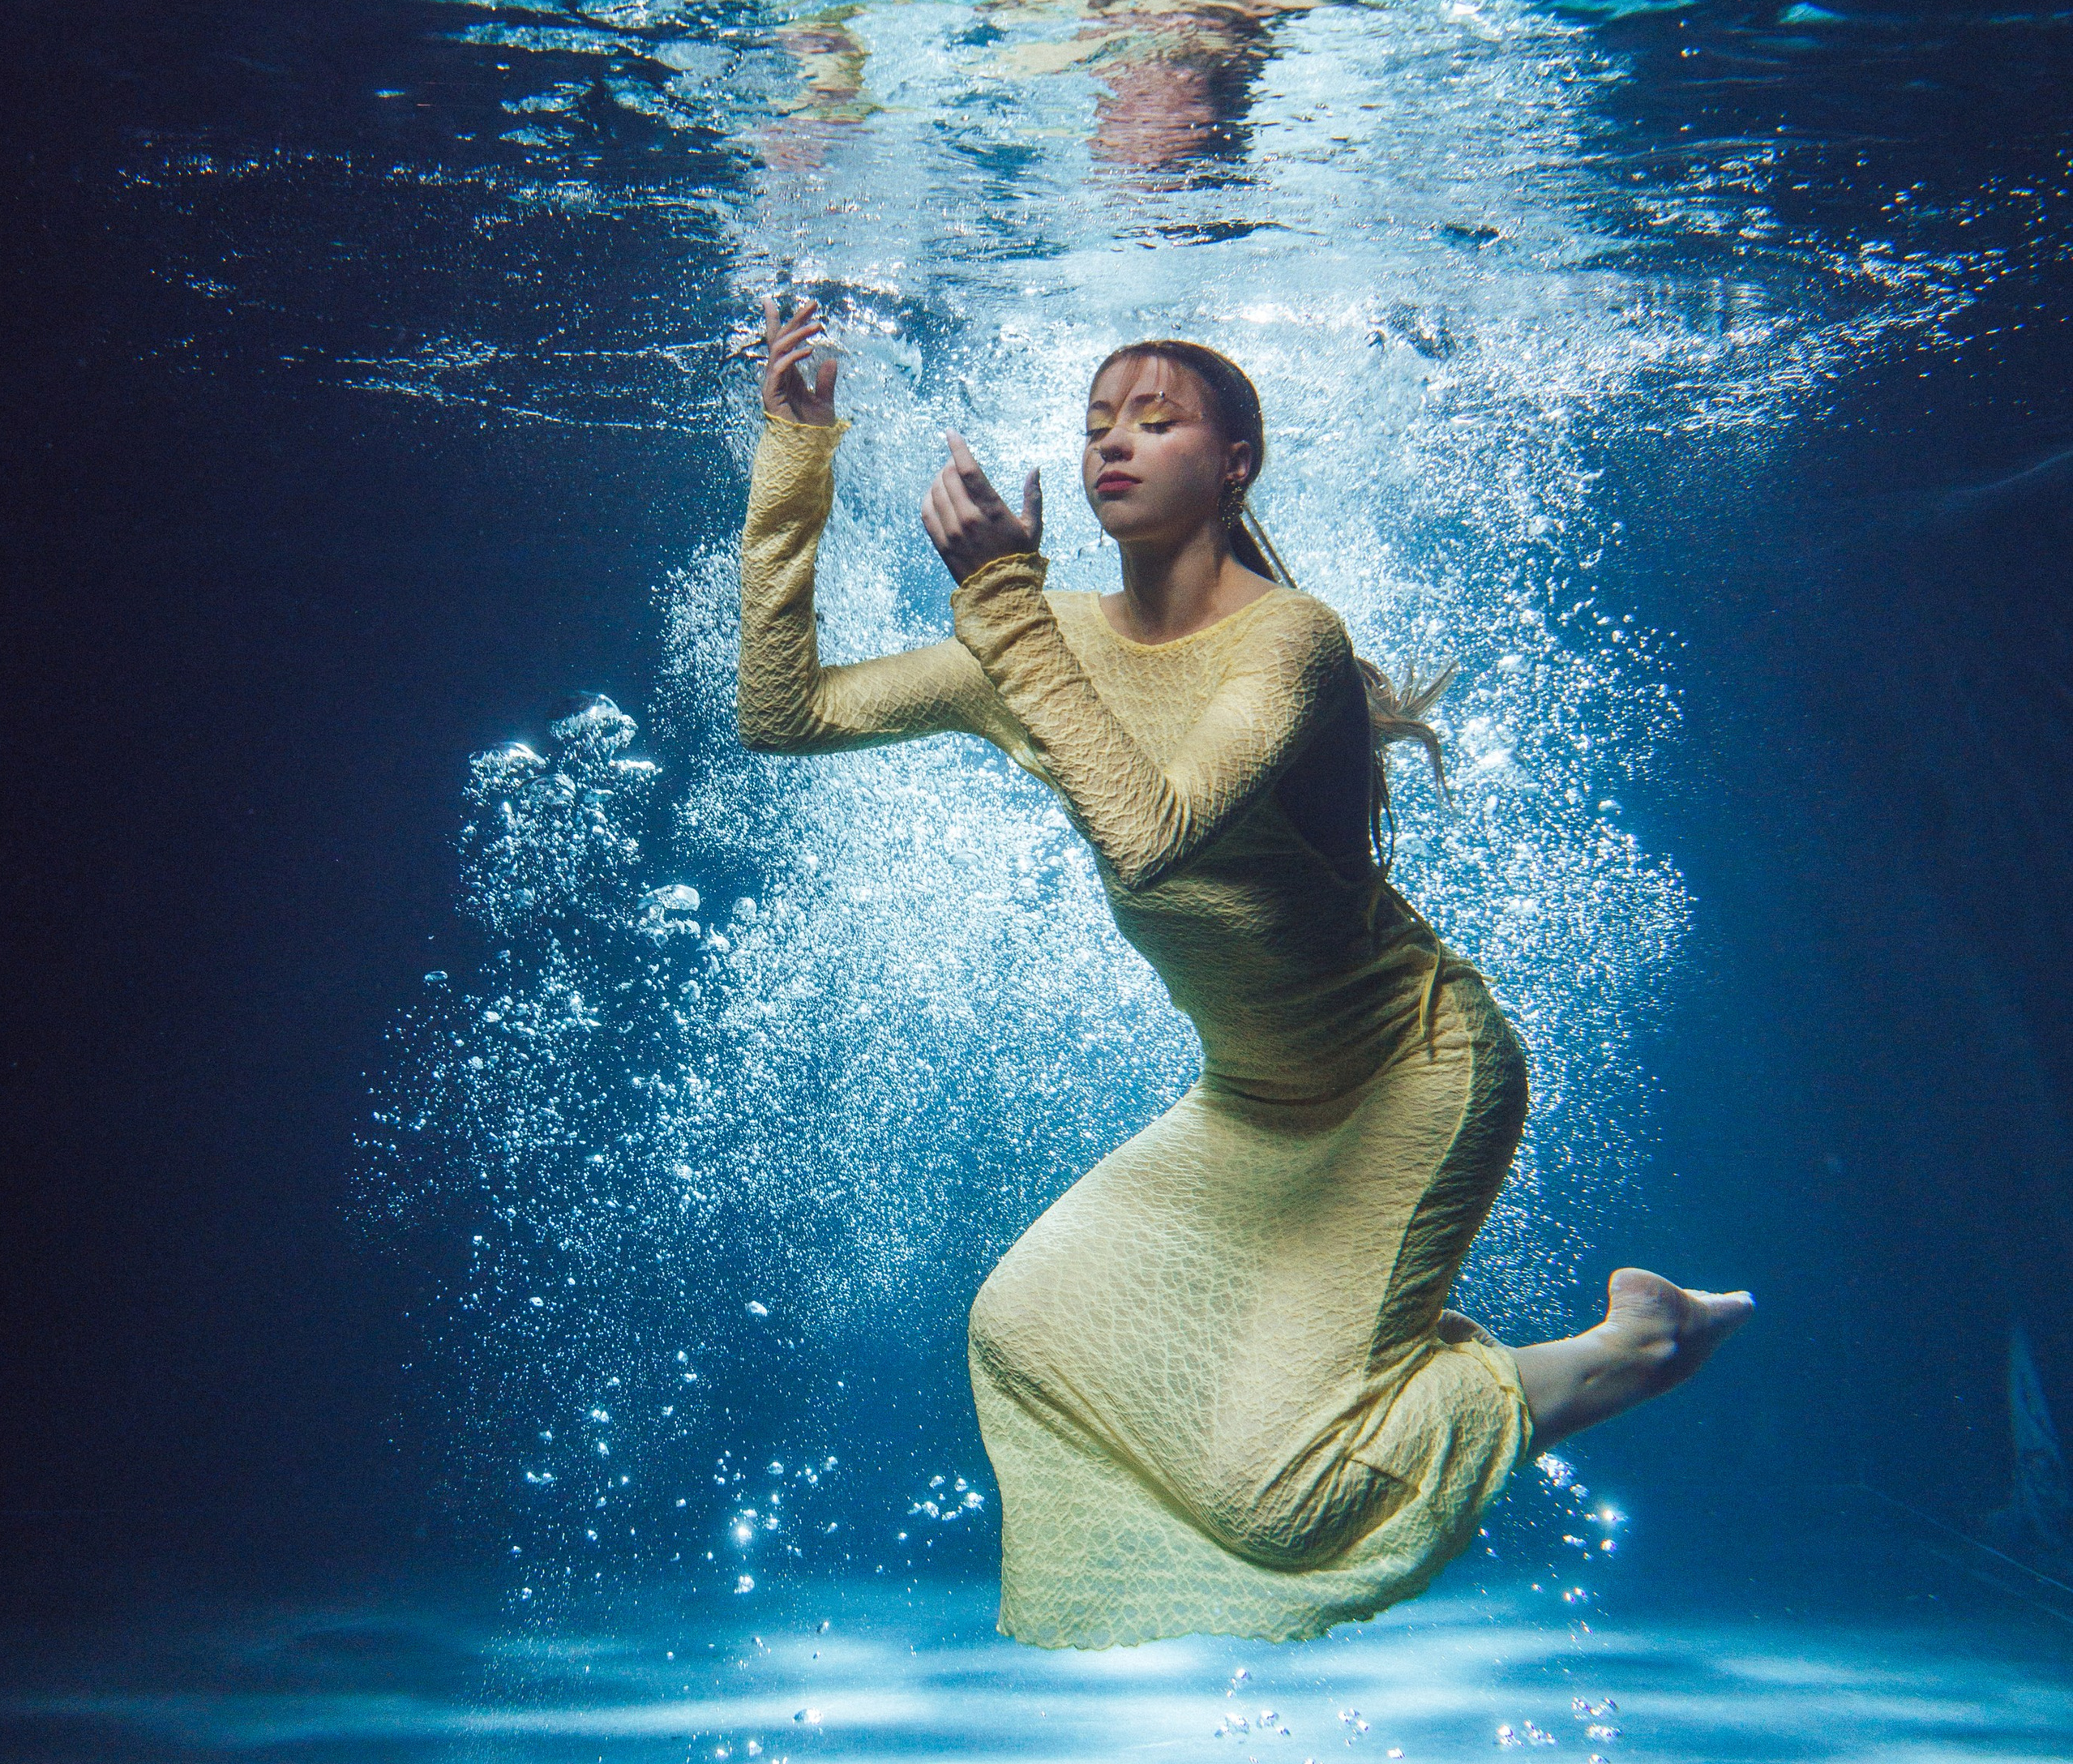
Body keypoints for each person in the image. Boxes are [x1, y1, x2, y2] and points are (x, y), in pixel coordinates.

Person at [738, 295, 1752, 1649]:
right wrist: (795, 452)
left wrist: (999, 601)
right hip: (1257, 1095)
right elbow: (783, 712)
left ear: (1235, 465)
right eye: (1098, 422)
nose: (1114, 444)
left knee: (1287, 1502)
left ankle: (1635, 1346)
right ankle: (1399, 1358)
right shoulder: (1055, 639)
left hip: (1416, 1073)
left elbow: (1153, 837)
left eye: (1155, 421)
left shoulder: (1292, 639)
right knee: (1025, 1328)